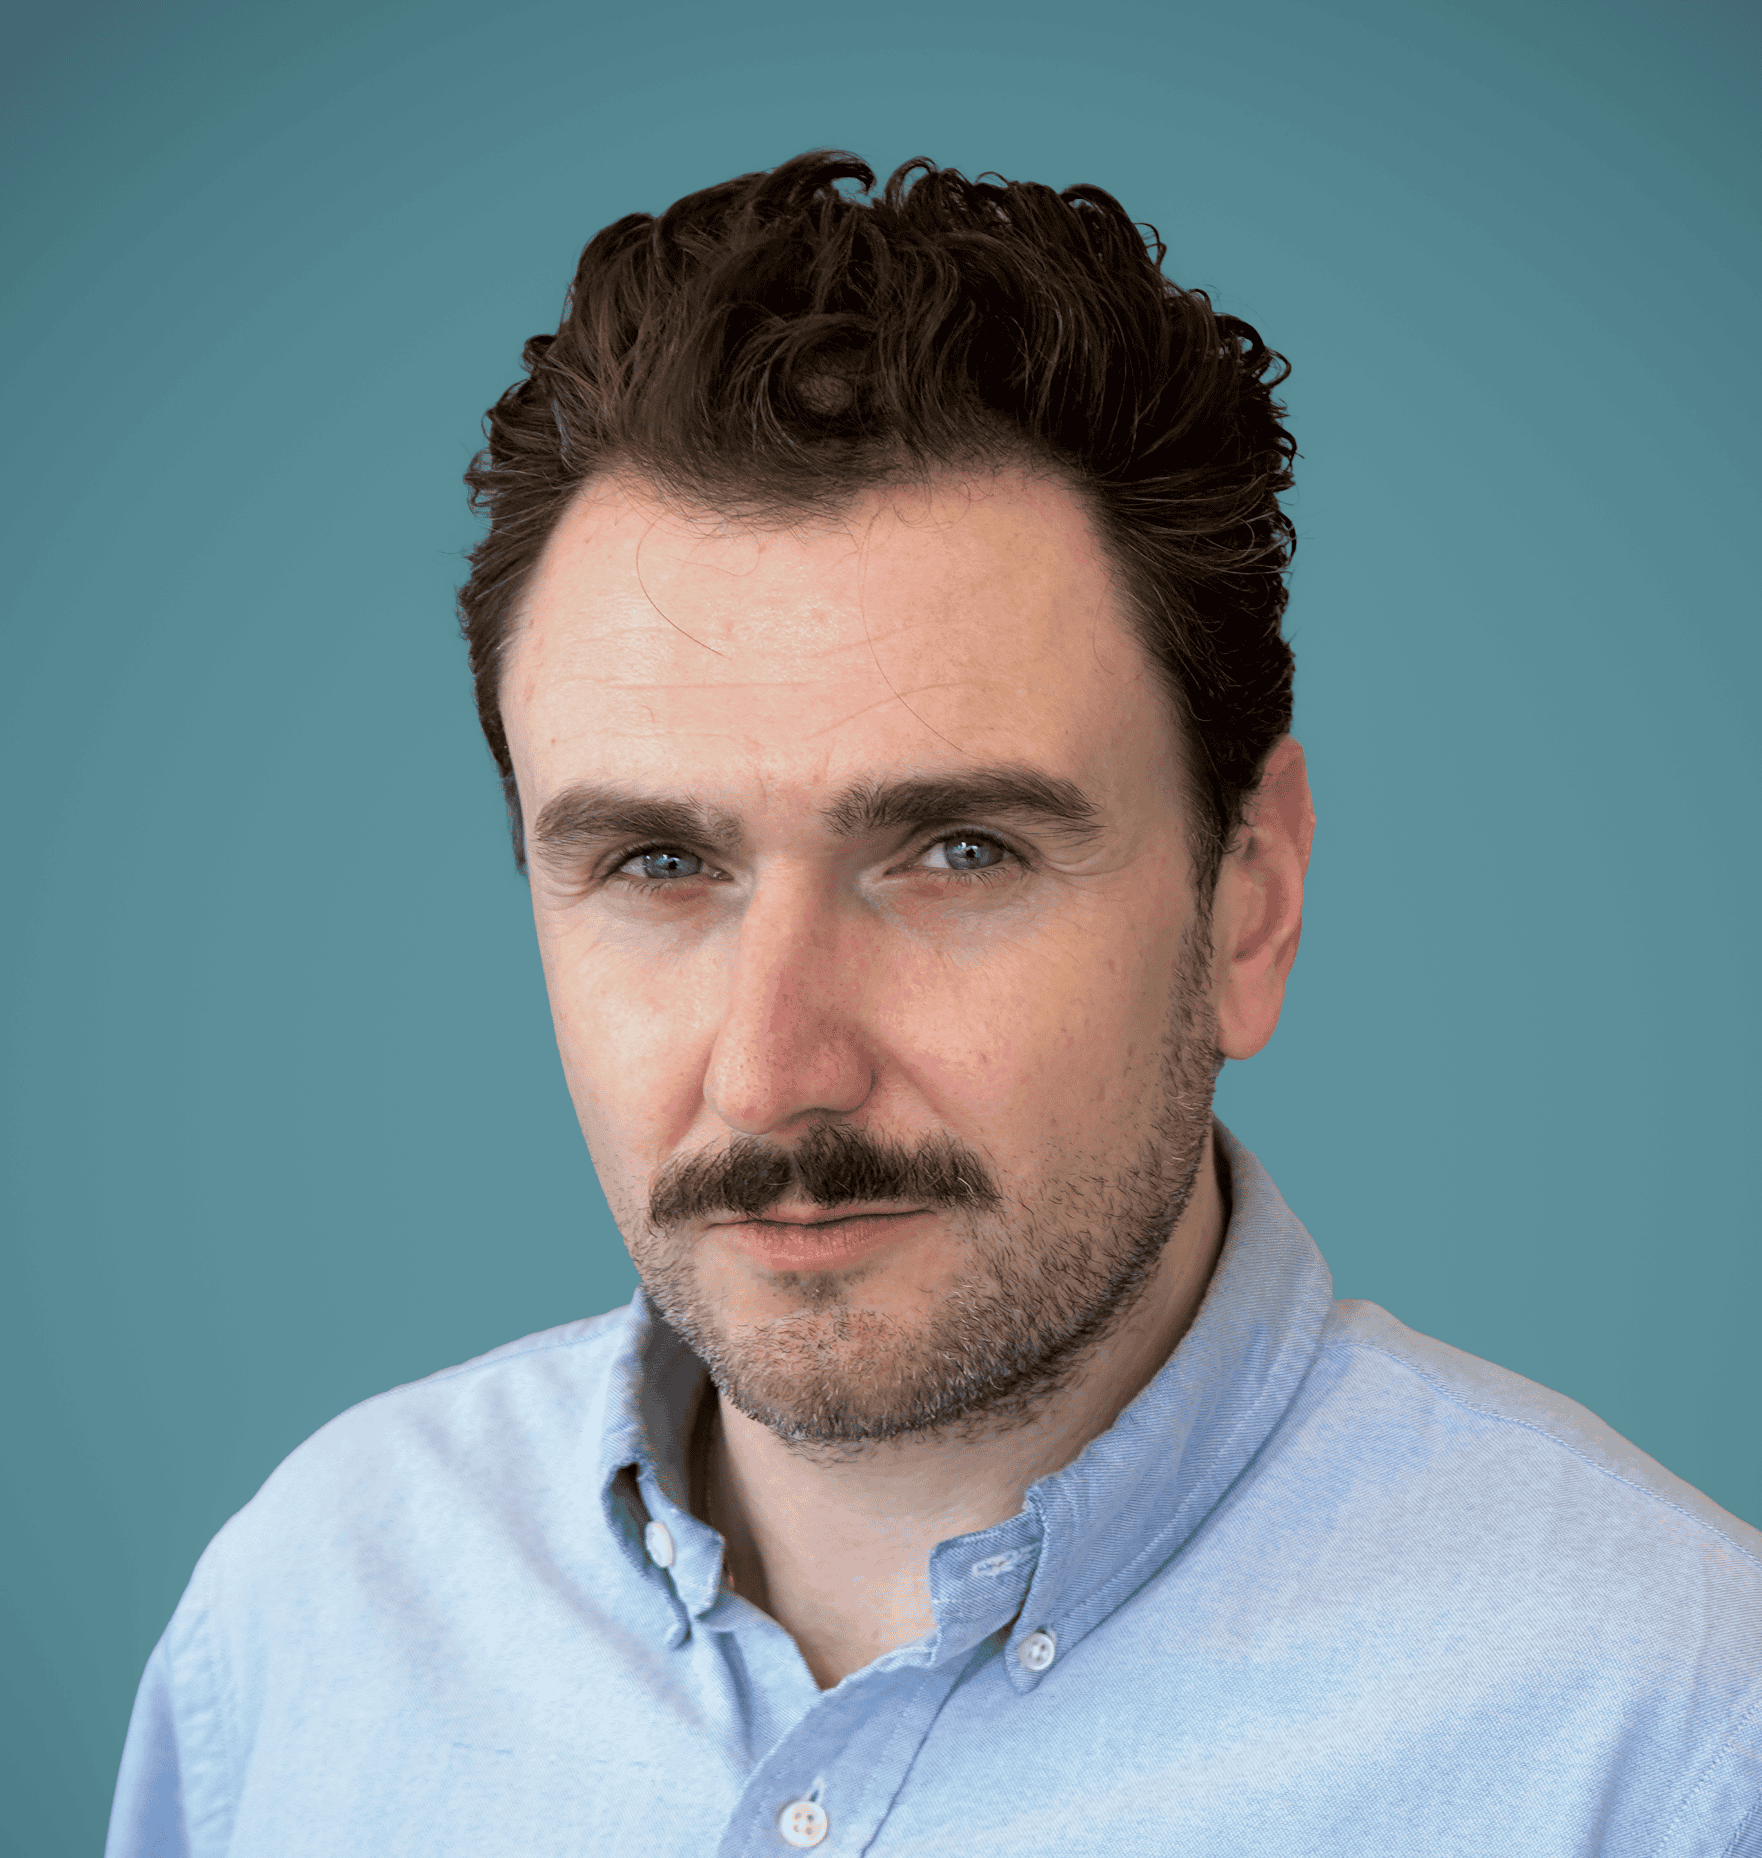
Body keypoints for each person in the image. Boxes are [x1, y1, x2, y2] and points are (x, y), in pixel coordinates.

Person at [107, 149, 1761, 1857]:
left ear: (1248, 899)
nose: (777, 1073)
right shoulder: (305, 1622)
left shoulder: (1673, 1741)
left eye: (958, 852)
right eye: (659, 862)